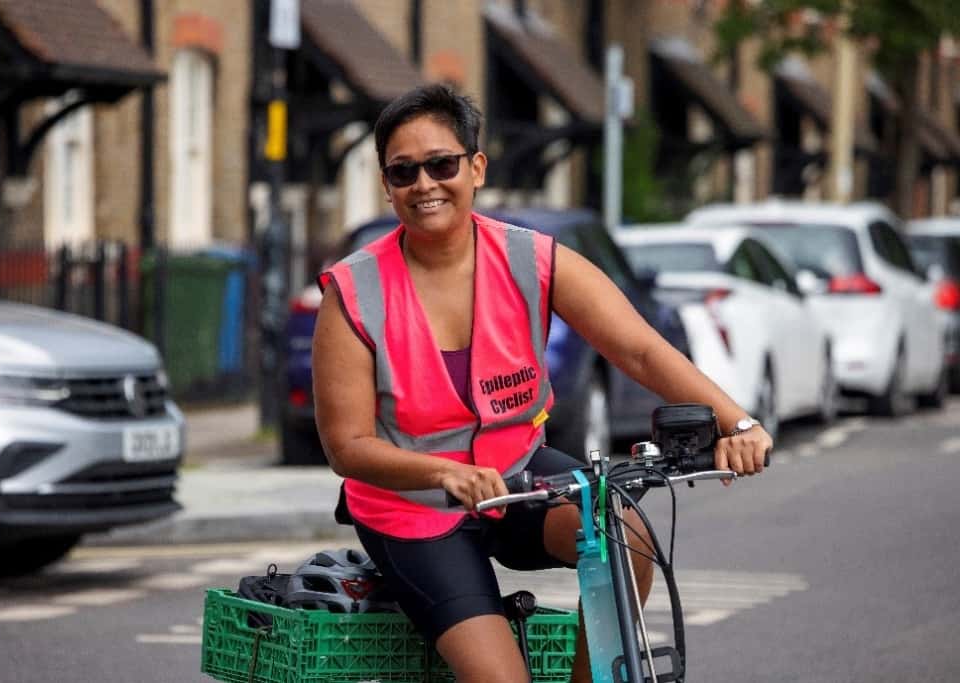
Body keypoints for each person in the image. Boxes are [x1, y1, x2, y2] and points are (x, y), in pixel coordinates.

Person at [312, 84, 772, 683]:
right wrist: (442, 472)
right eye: (403, 172)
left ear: (476, 168)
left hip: (519, 475)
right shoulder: (353, 291)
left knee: (620, 531)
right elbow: (347, 447)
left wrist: (737, 421)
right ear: (387, 184)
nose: (424, 184)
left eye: (441, 164)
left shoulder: (531, 258)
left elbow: (638, 349)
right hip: (412, 508)